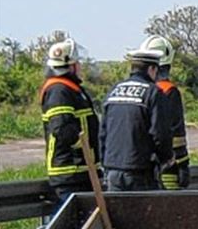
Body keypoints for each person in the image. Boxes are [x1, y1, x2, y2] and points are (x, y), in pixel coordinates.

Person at [100, 45, 173, 191]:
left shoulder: (114, 91)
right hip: (140, 171)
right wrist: (166, 158)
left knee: (118, 213)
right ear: (152, 69)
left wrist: (105, 160)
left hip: (112, 169)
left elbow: (103, 132)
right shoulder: (153, 93)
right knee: (145, 213)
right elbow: (160, 133)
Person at [39, 38, 99, 201]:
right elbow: (62, 129)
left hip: (81, 172)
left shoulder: (70, 89)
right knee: (69, 223)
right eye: (77, 63)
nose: (80, 67)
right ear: (71, 66)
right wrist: (82, 144)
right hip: (69, 172)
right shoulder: (59, 91)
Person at [136, 35, 190, 190]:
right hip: (167, 167)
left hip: (143, 166)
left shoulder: (142, 91)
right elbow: (176, 135)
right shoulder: (169, 91)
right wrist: (183, 164)